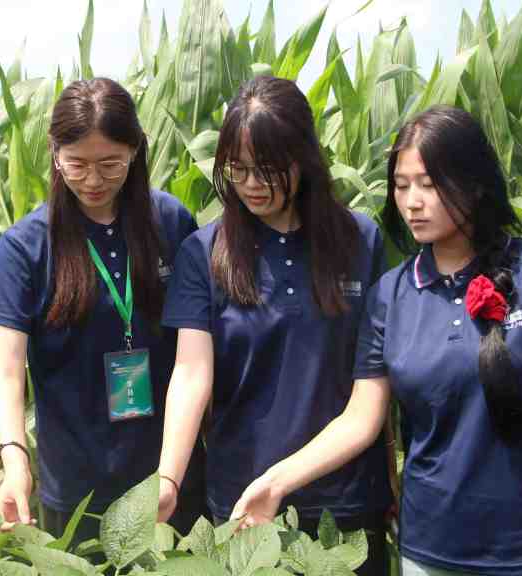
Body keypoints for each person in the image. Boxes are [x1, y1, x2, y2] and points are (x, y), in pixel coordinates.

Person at [230, 105, 522, 576]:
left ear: (474, 183)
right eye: (401, 184)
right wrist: (275, 482)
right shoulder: (392, 295)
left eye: (430, 185)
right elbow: (361, 418)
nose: (412, 201)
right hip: (433, 553)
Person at [156, 75, 391, 575]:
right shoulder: (206, 253)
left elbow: (372, 391)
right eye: (237, 170)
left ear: (303, 157)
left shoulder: (360, 241)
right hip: (243, 508)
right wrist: (168, 480)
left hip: (344, 504)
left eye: (267, 170)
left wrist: (284, 479)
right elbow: (191, 376)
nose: (251, 186)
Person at [0, 77, 206, 543]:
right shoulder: (26, 247)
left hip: (169, 478)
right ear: (54, 153)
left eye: (110, 164)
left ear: (136, 151)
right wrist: (16, 462)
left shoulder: (171, 223)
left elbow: (195, 353)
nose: (93, 180)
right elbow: (7, 370)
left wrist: (171, 476)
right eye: (76, 164)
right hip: (77, 490)